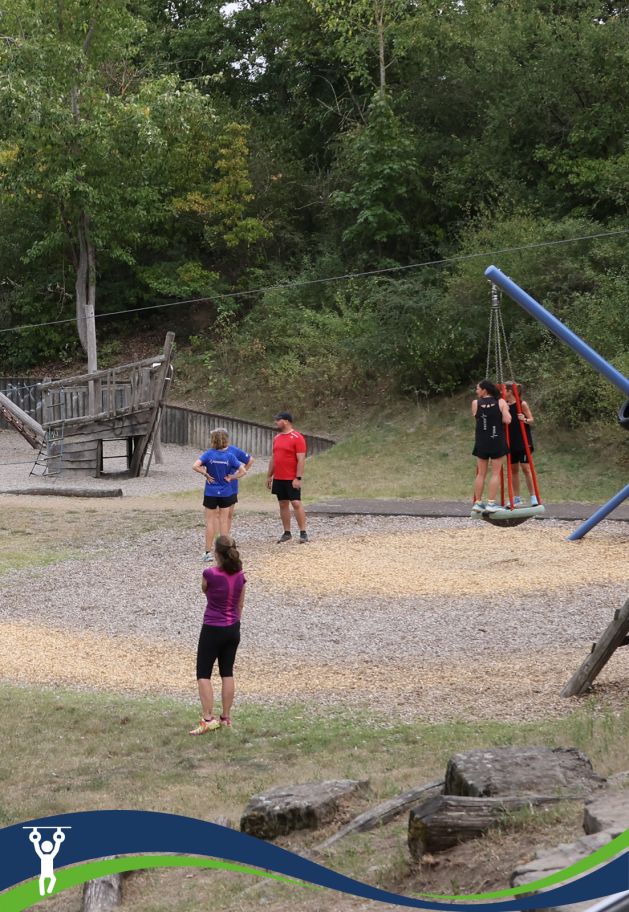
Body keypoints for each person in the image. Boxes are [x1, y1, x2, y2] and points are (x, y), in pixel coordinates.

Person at [190, 535, 245, 734]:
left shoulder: (210, 574)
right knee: (227, 672)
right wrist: (234, 621)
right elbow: (240, 603)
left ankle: (207, 718)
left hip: (212, 627)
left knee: (203, 673)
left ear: (217, 553)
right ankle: (226, 717)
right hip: (233, 628)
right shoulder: (240, 575)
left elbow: (204, 589)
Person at [193, 429, 247, 561]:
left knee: (210, 522)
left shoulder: (208, 454)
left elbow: (195, 466)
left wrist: (205, 474)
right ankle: (225, 552)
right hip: (226, 492)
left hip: (211, 492)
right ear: (226, 440)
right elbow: (243, 471)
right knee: (224, 521)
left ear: (213, 440)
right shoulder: (230, 456)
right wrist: (232, 477)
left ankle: (207, 552)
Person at [266, 411, 308, 543]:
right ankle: (287, 532)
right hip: (279, 477)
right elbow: (274, 458)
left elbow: (301, 459)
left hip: (291, 477)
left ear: (286, 421)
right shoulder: (277, 438)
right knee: (283, 503)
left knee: (296, 502)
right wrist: (269, 475)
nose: (276, 422)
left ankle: (303, 532)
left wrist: (298, 477)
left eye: (278, 420)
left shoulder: (297, 437)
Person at [471, 379, 511, 513]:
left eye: (478, 388)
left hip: (482, 441)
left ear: (484, 390)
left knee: (481, 473)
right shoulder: (500, 402)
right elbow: (507, 420)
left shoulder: (475, 403)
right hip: (496, 441)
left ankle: (478, 502)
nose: (476, 391)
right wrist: (506, 409)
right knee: (495, 473)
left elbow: (478, 418)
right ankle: (491, 503)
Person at [210, 427, 255, 534]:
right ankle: (216, 538)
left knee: (228, 514)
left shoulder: (233, 450)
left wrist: (236, 475)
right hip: (214, 488)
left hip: (230, 487)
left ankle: (224, 538)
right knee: (216, 514)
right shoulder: (210, 452)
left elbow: (250, 460)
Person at [504, 382, 538, 506]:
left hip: (523, 441)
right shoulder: (504, 405)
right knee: (514, 470)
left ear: (509, 391)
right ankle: (517, 498)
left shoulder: (521, 404)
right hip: (511, 442)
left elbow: (531, 420)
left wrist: (524, 419)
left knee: (526, 468)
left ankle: (533, 496)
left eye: (504, 390)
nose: (502, 393)